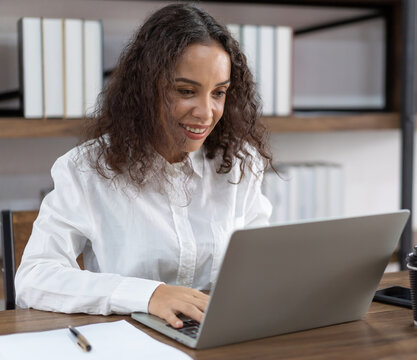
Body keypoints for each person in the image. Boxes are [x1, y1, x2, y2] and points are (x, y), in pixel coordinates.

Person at [14, 3, 273, 329]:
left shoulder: (239, 164)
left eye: (218, 93)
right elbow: (34, 278)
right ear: (147, 87)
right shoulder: (86, 170)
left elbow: (260, 266)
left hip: (215, 342)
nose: (206, 113)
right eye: (186, 91)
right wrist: (147, 295)